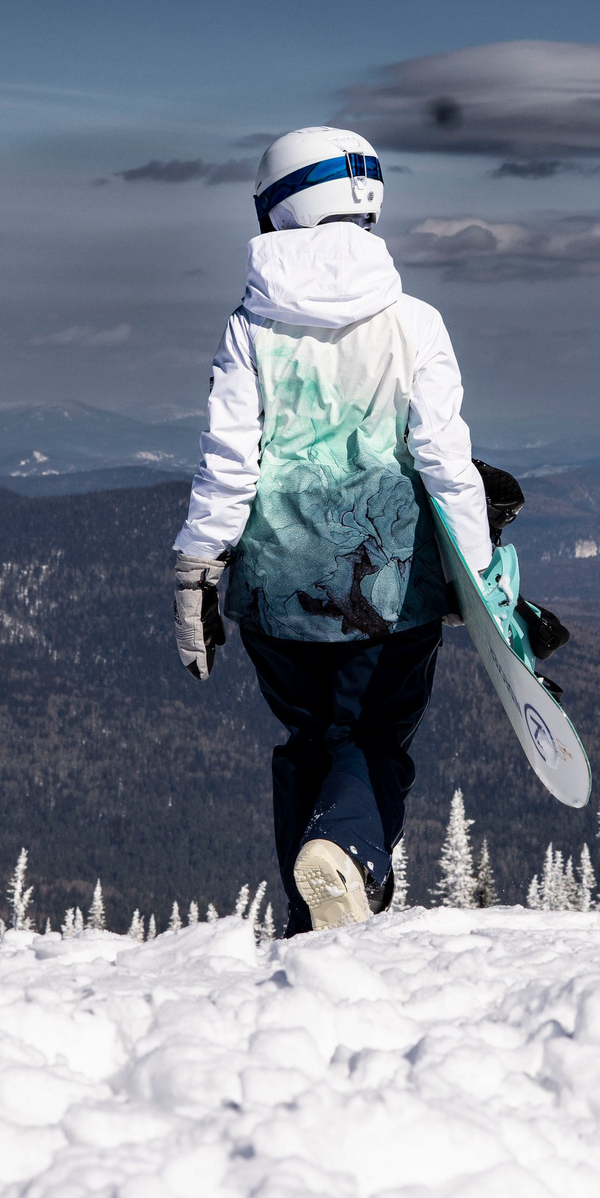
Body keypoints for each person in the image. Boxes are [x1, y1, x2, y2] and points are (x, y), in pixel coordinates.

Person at [170, 125, 491, 932]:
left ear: (280, 205)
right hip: (391, 584)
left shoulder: (251, 326)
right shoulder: (416, 323)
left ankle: (308, 920)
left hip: (276, 593)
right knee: (374, 735)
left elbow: (228, 464)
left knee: (308, 737)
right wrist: (478, 576)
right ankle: (348, 856)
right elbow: (447, 461)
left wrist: (195, 572)